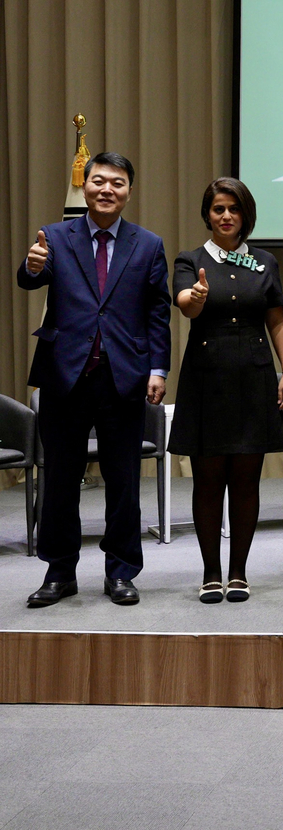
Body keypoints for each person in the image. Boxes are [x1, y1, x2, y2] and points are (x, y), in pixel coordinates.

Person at [17, 151, 170, 607]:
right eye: (99, 181)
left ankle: (121, 571)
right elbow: (29, 280)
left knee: (122, 482)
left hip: (123, 377)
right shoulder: (56, 236)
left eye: (118, 183)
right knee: (60, 480)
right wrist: (31, 266)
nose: (107, 189)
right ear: (85, 186)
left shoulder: (147, 244)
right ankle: (59, 572)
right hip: (65, 376)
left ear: (128, 191)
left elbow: (157, 313)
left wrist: (157, 368)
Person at [169, 178, 283, 603]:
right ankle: (210, 573)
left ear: (246, 215)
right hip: (207, 380)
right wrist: (199, 296)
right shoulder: (190, 259)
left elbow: (276, 319)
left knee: (246, 481)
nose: (226, 216)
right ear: (207, 213)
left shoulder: (263, 261)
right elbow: (186, 303)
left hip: (254, 378)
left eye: (234, 209)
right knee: (207, 482)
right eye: (219, 209)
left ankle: (238, 573)